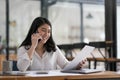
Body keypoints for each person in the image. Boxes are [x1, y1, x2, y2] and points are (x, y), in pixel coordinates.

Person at [17, 17, 86, 71]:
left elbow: (65, 65)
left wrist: (77, 65)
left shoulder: (53, 48)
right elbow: (21, 68)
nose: (46, 34)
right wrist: (33, 46)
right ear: (35, 30)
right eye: (43, 30)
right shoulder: (23, 49)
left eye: (49, 31)